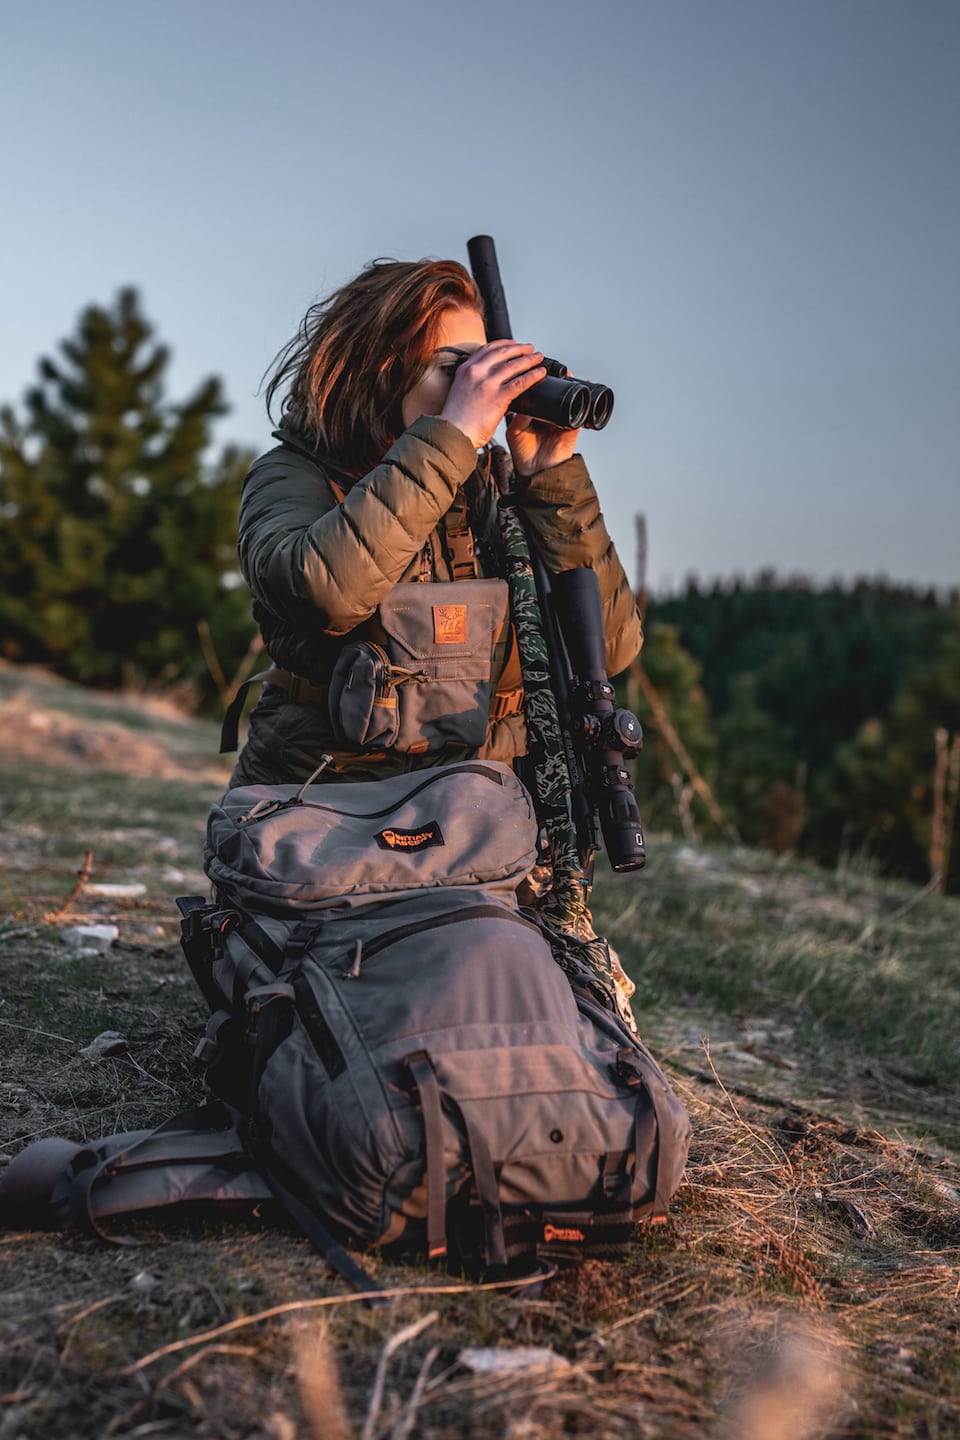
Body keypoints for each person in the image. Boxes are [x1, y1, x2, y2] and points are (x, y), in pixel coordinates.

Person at [226, 257, 642, 788]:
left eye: (484, 370)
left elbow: (610, 649)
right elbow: (324, 590)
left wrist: (553, 479)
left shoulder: (499, 489)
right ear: (378, 369)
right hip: (330, 811)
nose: (478, 391)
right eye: (455, 369)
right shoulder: (295, 473)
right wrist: (452, 437)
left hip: (485, 822)